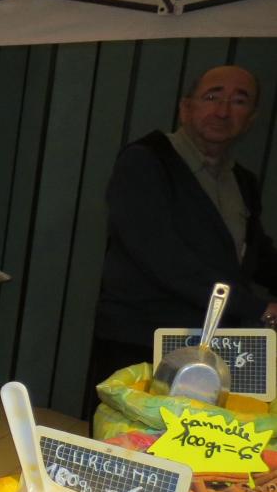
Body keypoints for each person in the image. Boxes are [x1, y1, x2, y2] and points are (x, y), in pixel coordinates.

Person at [90, 65, 277, 411]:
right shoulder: (145, 161)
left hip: (211, 350)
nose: (222, 111)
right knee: (126, 451)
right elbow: (162, 256)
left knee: (199, 456)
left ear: (251, 119)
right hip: (140, 342)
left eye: (239, 101)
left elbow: (254, 252)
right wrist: (259, 308)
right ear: (185, 107)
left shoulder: (243, 181)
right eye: (212, 96)